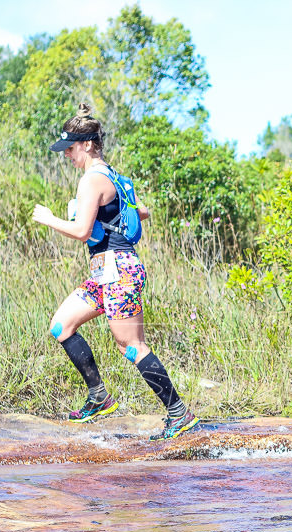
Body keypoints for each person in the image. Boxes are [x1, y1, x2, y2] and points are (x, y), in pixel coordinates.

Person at [31, 103, 199, 441]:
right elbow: (140, 212)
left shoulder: (91, 180)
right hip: (104, 272)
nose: (67, 155)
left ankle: (179, 413)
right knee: (61, 326)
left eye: (71, 149)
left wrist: (49, 218)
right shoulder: (116, 178)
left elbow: (80, 231)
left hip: (118, 271)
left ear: (88, 145)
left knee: (131, 346)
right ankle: (99, 397)